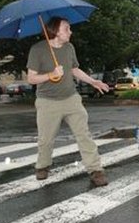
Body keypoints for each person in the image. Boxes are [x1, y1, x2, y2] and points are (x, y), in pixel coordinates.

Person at [26, 17, 110, 187]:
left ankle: (95, 170)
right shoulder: (38, 50)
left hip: (71, 99)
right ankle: (42, 166)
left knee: (84, 135)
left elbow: (74, 69)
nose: (70, 31)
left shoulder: (69, 47)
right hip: (47, 101)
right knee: (46, 139)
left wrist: (93, 82)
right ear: (56, 31)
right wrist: (51, 75)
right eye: (67, 28)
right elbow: (31, 78)